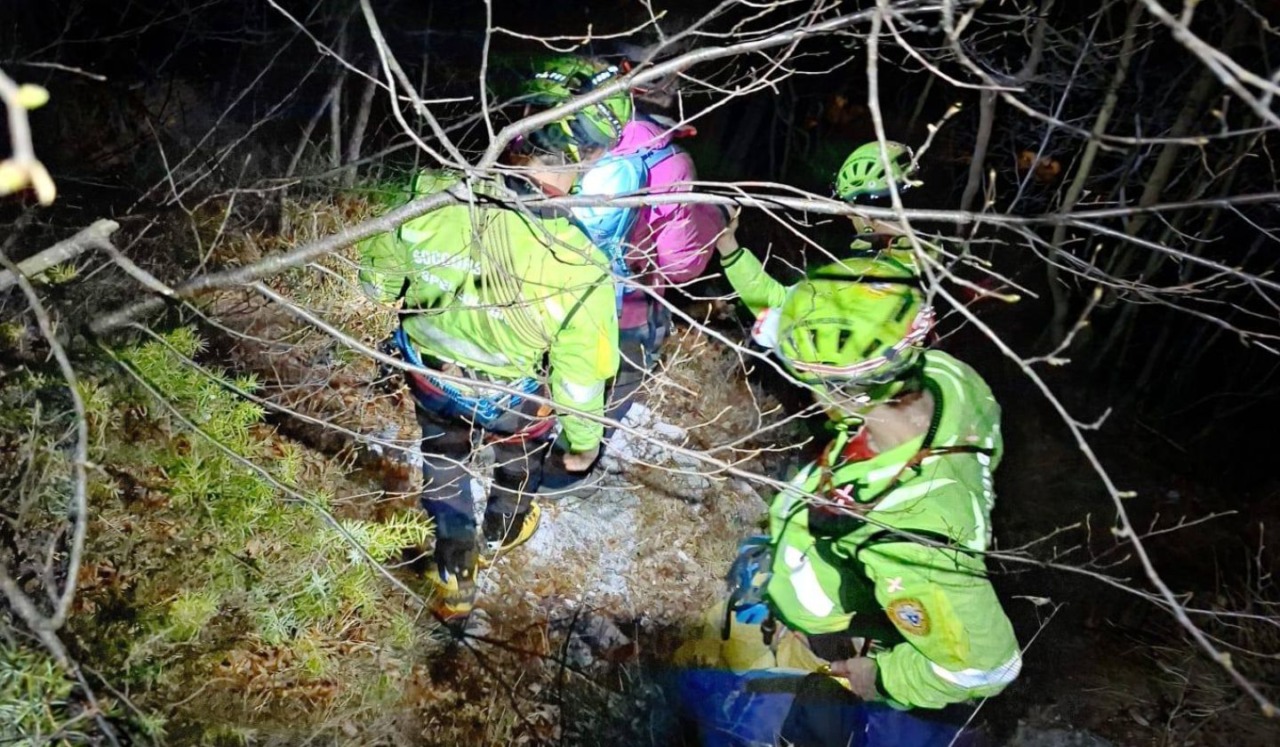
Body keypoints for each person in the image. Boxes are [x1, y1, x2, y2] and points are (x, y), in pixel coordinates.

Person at [697, 209, 1022, 716]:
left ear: (844, 391)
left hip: (837, 632)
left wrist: (882, 676)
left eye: (811, 380)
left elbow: (987, 666)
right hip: (827, 571)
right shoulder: (942, 378)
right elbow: (801, 319)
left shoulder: (915, 531)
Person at [357, 147, 619, 623]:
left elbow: (376, 282)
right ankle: (504, 526)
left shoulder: (429, 195)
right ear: (581, 161)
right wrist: (582, 445)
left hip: (432, 376)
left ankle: (455, 574)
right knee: (520, 459)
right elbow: (579, 379)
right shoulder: (577, 263)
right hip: (513, 400)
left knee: (443, 457)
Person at [517, 56, 725, 470]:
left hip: (530, 282)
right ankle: (567, 468)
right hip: (622, 308)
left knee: (535, 376)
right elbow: (681, 262)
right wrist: (714, 219)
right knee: (610, 383)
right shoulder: (669, 162)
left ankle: (511, 453)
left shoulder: (557, 127)